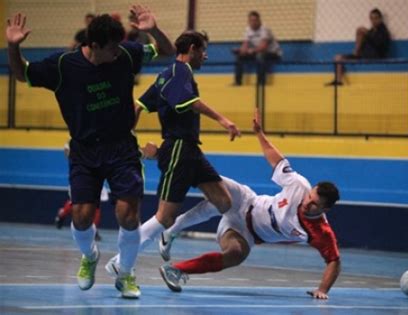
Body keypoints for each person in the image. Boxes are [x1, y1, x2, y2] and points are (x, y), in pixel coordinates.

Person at [6, 4, 175, 299]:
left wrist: (154, 30)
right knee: (82, 217)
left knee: (128, 214)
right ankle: (90, 256)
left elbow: (167, 51)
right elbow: (23, 74)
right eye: (111, 48)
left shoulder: (124, 54)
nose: (116, 53)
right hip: (84, 151)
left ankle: (125, 273)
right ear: (93, 46)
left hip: (121, 147)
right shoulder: (62, 66)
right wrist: (12, 47)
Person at [155, 111, 341, 299]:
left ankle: (176, 270)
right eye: (309, 197)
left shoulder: (321, 232)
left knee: (235, 255)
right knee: (211, 185)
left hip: (244, 233)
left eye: (314, 204)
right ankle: (170, 229)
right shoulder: (299, 185)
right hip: (246, 201)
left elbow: (334, 260)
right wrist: (259, 133)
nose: (307, 203)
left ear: (325, 210)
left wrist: (323, 290)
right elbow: (276, 160)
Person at [104, 31, 241, 276]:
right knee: (164, 216)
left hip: (190, 150)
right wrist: (223, 120)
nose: (205, 56)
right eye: (203, 50)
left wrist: (128, 135)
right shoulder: (180, 72)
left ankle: (172, 231)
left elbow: (139, 105)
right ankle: (120, 260)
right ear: (191, 48)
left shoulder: (164, 76)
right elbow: (190, 102)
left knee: (223, 201)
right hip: (179, 148)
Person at [326, 8, 391, 86]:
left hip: (376, 57)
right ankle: (338, 80)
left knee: (361, 30)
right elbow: (366, 42)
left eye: (376, 18)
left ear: (380, 19)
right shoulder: (371, 31)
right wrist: (365, 34)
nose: (373, 21)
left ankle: (355, 55)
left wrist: (366, 33)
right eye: (372, 18)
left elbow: (379, 44)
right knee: (337, 58)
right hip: (363, 56)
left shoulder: (383, 32)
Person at [233, 11, 282, 86]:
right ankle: (238, 82)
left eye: (255, 20)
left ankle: (261, 82)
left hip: (273, 53)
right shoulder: (248, 30)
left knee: (260, 56)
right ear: (248, 21)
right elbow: (245, 44)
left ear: (259, 20)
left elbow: (263, 46)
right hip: (257, 52)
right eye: (251, 21)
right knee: (239, 57)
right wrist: (241, 50)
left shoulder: (265, 29)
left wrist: (252, 51)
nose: (253, 22)